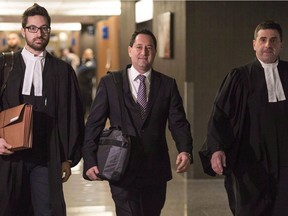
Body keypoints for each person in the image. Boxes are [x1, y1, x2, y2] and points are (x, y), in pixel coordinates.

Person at [82, 29, 193, 216]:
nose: (144, 52)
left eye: (149, 48)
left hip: (155, 169)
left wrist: (185, 149)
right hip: (120, 166)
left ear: (155, 52)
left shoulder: (167, 85)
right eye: (139, 47)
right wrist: (90, 159)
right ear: (130, 50)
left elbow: (178, 122)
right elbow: (94, 123)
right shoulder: (111, 83)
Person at [0, 3, 84, 216]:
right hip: (10, 157)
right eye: (33, 28)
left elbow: (73, 116)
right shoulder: (4, 65)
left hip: (47, 156)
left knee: (48, 210)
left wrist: (68, 157)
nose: (39, 33)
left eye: (44, 28)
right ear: (23, 31)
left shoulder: (63, 71)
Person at [200, 20, 288, 216]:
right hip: (249, 164)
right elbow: (220, 116)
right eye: (263, 40)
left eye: (273, 40)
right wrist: (216, 149)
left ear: (281, 44)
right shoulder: (239, 77)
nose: (268, 45)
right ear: (254, 44)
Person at [76, 48, 97, 117]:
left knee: (88, 103)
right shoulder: (84, 62)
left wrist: (81, 68)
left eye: (88, 54)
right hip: (81, 86)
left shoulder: (91, 64)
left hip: (87, 87)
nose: (86, 55)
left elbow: (80, 70)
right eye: (85, 54)